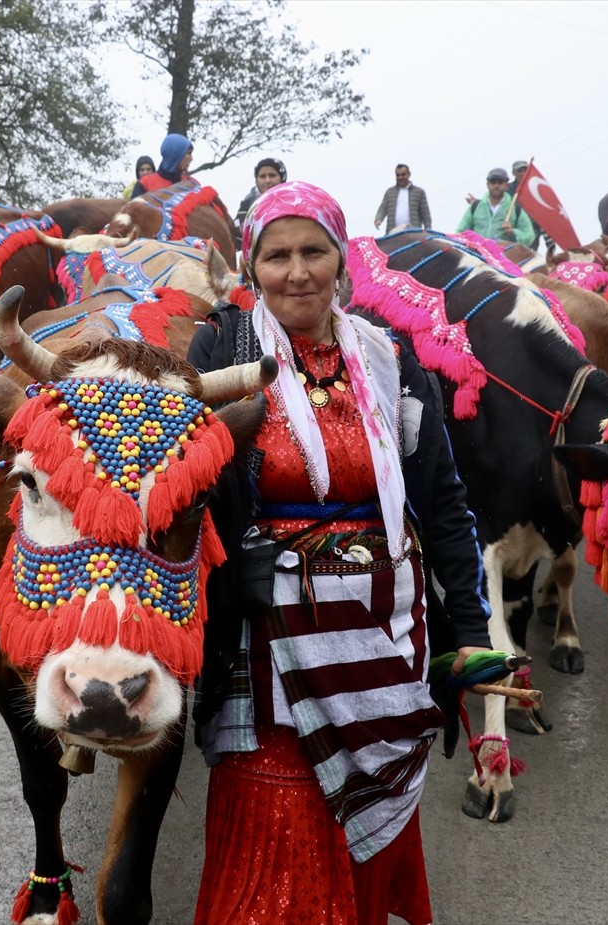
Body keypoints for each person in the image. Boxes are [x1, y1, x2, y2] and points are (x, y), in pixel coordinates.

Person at [188, 180, 493, 925]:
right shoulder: (221, 348)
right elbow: (183, 491)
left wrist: (473, 635)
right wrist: (224, 583)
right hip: (266, 645)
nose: (297, 271)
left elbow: (445, 501)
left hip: (384, 639)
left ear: (339, 258)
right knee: (277, 835)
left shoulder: (387, 359)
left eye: (313, 251)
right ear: (251, 265)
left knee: (364, 837)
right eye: (277, 254)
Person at [455, 167, 535, 244]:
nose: (496, 186)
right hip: (478, 254)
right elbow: (460, 232)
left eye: (500, 182)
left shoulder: (515, 208)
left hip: (505, 255)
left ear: (507, 185)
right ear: (487, 185)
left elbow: (529, 235)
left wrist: (512, 232)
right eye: (493, 182)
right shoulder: (476, 207)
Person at [508, 159, 554, 253]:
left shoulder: (537, 189)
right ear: (513, 173)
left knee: (529, 257)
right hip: (513, 230)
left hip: (533, 231)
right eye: (519, 171)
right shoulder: (508, 189)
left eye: (525, 170)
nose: (522, 173)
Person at [130, 133, 193, 198]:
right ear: (176, 154)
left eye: (148, 169)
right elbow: (132, 208)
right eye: (189, 153)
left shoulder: (193, 184)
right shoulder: (145, 184)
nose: (191, 159)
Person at [373, 164, 432, 231]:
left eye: (403, 174)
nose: (400, 177)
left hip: (414, 233)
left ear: (409, 174)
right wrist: (378, 219)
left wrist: (428, 230)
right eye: (398, 175)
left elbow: (425, 214)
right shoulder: (389, 192)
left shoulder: (419, 192)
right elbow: (383, 208)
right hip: (393, 233)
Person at [235, 157, 287, 230]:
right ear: (256, 180)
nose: (267, 180)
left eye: (272, 175)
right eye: (262, 176)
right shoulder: (248, 202)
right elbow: (236, 225)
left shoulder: (294, 201)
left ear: (282, 177)